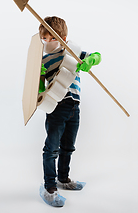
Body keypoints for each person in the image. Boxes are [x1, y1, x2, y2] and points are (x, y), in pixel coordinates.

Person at [38, 16, 101, 207]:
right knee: (52, 148)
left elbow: (97, 55)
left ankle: (63, 179)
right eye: (45, 39)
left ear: (63, 37)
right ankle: (50, 186)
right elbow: (40, 89)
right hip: (56, 106)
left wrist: (90, 59)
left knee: (68, 146)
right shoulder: (43, 59)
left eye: (53, 38)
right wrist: (39, 79)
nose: (48, 43)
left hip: (74, 106)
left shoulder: (73, 52)